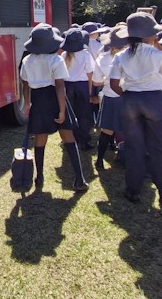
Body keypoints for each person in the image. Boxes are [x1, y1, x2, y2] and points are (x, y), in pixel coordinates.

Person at [109, 12, 162, 208]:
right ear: (148, 35)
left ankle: (133, 190)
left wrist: (127, 95)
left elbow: (114, 83)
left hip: (130, 99)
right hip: (154, 100)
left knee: (134, 147)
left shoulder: (121, 55)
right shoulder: (158, 55)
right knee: (158, 147)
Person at [19, 23, 90, 194]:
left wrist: (27, 104)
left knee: (39, 138)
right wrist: (62, 110)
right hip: (55, 98)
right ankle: (79, 179)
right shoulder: (56, 60)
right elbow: (60, 86)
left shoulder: (27, 60)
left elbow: (25, 84)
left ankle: (40, 176)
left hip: (38, 100)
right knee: (68, 137)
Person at [93, 26, 129, 172]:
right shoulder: (131, 56)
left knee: (106, 129)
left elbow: (96, 81)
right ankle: (125, 157)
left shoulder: (102, 58)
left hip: (110, 96)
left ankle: (100, 160)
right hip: (128, 96)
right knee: (129, 130)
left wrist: (106, 81)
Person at [60, 27, 96, 150]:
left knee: (70, 114)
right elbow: (89, 73)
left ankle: (70, 140)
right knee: (84, 114)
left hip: (67, 85)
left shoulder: (64, 54)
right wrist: (90, 90)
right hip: (82, 85)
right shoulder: (86, 54)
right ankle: (84, 140)